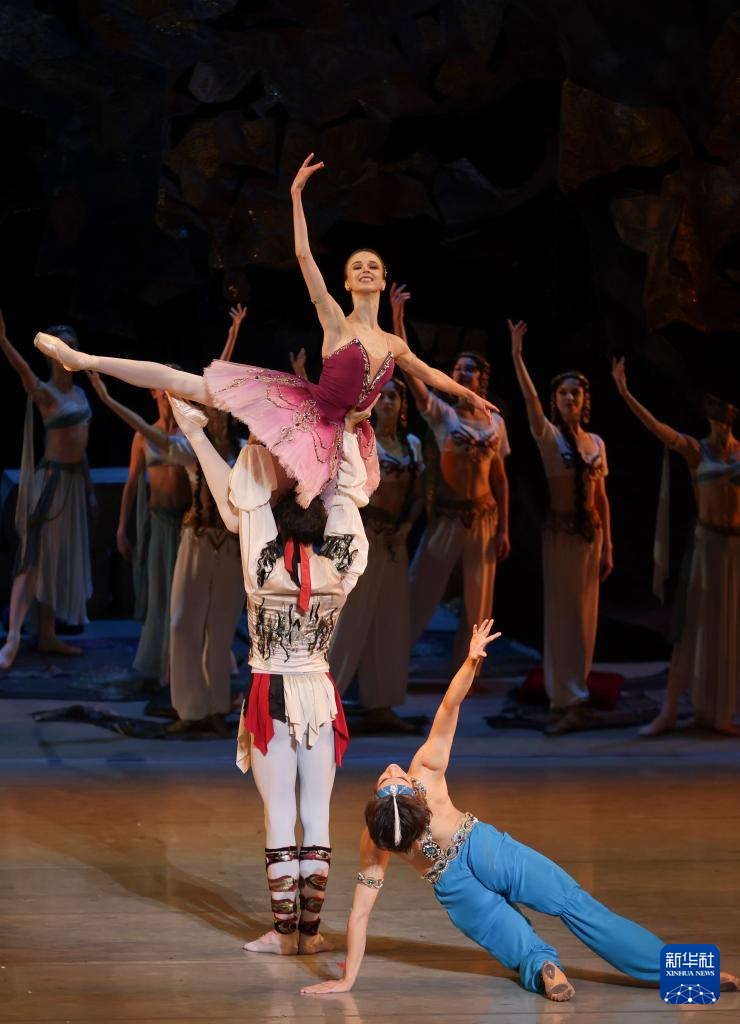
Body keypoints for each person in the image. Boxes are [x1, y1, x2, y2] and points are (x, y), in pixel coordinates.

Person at [300, 620, 740, 1001]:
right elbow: (449, 707)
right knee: (575, 905)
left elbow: (360, 913)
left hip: (452, 887)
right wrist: (471, 660)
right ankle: (687, 976)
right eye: (390, 778)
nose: (391, 768)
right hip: (485, 849)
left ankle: (546, 970)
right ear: (411, 796)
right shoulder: (426, 774)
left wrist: (348, 980)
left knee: (519, 945)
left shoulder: (376, 841)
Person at [34, 156, 496, 511]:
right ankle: (85, 360)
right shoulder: (335, 320)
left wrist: (470, 396)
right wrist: (295, 195)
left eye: (373, 266)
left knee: (335, 518)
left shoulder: (394, 344)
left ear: (383, 277)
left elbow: (430, 373)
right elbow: (304, 256)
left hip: (346, 437)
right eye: (357, 266)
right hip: (305, 413)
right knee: (189, 385)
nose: (366, 270)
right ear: (347, 282)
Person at [166, 393, 370, 954]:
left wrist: (206, 435)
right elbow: (348, 499)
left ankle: (285, 936)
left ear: (275, 523)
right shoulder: (343, 566)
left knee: (279, 813)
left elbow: (243, 501)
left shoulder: (262, 565)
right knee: (316, 814)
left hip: (273, 690)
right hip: (319, 691)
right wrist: (341, 437)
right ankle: (310, 934)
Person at [612, 358, 739, 735]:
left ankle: (719, 713)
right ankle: (668, 711)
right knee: (689, 630)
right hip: (707, 547)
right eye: (716, 408)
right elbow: (657, 428)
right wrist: (624, 392)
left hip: (736, 549)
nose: (723, 415)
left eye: (727, 408)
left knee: (730, 630)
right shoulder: (697, 450)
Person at [395, 284, 510, 671]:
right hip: (446, 515)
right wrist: (398, 321)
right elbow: (414, 378)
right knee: (420, 588)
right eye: (458, 369)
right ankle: (392, 660)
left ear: (482, 379)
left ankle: (467, 671)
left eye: (470, 369)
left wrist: (504, 529)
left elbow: (500, 478)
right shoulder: (443, 415)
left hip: (484, 517)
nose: (463, 373)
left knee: (479, 602)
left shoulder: (495, 423)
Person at [509, 320, 612, 728]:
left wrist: (608, 546)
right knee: (563, 614)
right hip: (561, 536)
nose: (570, 397)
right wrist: (517, 356)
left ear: (585, 400)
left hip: (590, 536)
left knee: (586, 617)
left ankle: (577, 690)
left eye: (576, 393)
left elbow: (602, 498)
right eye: (563, 393)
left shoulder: (596, 443)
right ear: (555, 400)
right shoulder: (550, 438)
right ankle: (565, 695)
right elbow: (530, 399)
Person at [329, 377, 424, 731]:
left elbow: (419, 495)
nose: (388, 402)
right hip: (363, 534)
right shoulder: (359, 440)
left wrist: (406, 529)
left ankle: (381, 705)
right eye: (381, 396)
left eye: (394, 396)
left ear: (402, 404)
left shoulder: (412, 445)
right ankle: (323, 702)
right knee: (349, 619)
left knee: (390, 621)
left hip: (395, 541)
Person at [0, 312, 94, 670]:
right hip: (51, 483)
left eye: (74, 346)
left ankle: (48, 634)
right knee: (34, 559)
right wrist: (3, 340)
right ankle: (12, 639)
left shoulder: (80, 393)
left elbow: (82, 449)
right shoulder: (47, 393)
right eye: (64, 347)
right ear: (53, 354)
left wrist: (89, 490)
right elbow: (24, 372)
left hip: (73, 483)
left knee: (57, 559)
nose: (71, 351)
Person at [90, 372, 193, 681]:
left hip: (185, 523)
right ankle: (160, 661)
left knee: (184, 594)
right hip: (159, 521)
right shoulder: (144, 435)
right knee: (159, 593)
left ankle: (183, 661)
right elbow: (132, 484)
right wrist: (121, 528)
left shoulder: (190, 434)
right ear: (154, 393)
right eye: (164, 390)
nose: (170, 395)